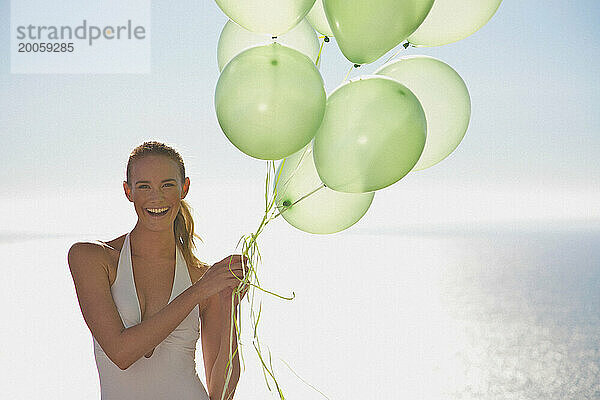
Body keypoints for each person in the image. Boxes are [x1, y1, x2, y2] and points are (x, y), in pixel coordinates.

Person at [68, 141, 248, 400]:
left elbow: (221, 393)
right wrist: (199, 292)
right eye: (144, 186)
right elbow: (121, 353)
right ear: (128, 191)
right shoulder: (92, 258)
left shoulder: (202, 277)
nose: (157, 197)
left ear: (184, 188)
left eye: (167, 185)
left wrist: (229, 302)